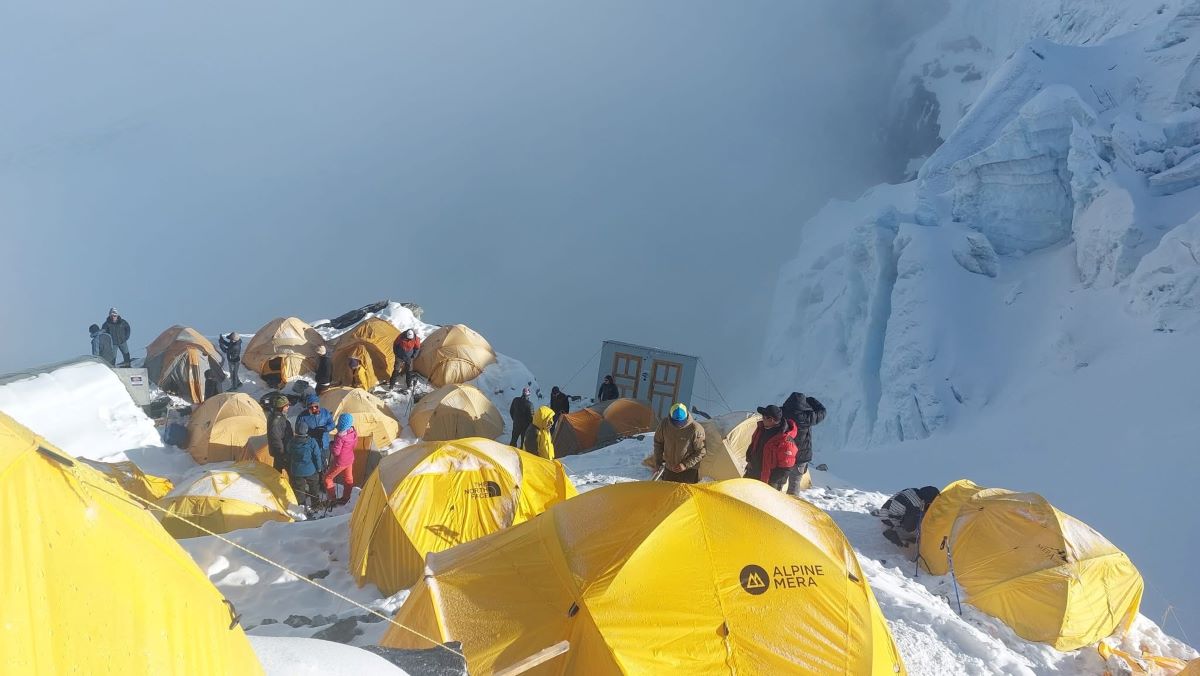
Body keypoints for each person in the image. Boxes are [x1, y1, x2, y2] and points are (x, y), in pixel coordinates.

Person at [780, 392, 826, 496]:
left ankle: (774, 502)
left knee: (779, 482)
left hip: (784, 454)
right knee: (795, 484)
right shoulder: (807, 417)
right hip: (801, 456)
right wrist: (812, 400)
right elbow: (822, 412)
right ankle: (792, 503)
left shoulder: (782, 413)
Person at [745, 405, 799, 490]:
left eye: (764, 417)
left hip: (768, 482)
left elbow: (785, 468)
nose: (762, 419)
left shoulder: (785, 441)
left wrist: (772, 483)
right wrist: (749, 460)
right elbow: (753, 445)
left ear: (771, 420)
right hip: (752, 473)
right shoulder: (761, 428)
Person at [652, 403, 706, 483]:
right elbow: (658, 444)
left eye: (681, 422)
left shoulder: (695, 429)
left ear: (686, 417)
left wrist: (685, 465)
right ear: (671, 418)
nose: (679, 425)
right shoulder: (664, 424)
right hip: (669, 469)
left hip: (688, 471)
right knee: (668, 490)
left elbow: (701, 451)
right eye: (676, 422)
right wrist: (658, 463)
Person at [876, 486, 941, 548]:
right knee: (915, 530)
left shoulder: (913, 490)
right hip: (887, 520)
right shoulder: (915, 506)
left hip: (885, 510)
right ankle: (891, 532)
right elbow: (909, 527)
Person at [288, 420, 326, 517]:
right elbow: (317, 456)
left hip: (296, 471)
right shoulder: (312, 442)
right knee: (314, 486)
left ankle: (302, 507)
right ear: (306, 430)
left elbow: (288, 452)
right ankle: (315, 504)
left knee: (299, 489)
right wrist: (319, 468)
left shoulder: (291, 442)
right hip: (310, 470)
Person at [325, 413, 358, 506]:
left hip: (340, 462)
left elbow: (336, 452)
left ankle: (332, 499)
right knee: (348, 479)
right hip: (350, 459)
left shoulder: (340, 437)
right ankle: (346, 498)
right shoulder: (353, 433)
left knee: (328, 478)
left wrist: (331, 445)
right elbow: (354, 446)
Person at [295, 393, 335, 467]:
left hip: (324, 444)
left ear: (319, 405)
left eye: (316, 406)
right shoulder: (302, 416)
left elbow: (332, 424)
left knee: (324, 464)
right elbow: (298, 430)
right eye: (311, 407)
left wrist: (326, 428)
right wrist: (310, 432)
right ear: (307, 407)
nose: (314, 408)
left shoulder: (325, 412)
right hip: (311, 445)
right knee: (313, 464)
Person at [265, 393, 292, 474]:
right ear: (281, 407)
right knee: (289, 472)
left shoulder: (277, 416)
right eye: (287, 406)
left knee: (277, 471)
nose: (288, 407)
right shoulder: (276, 421)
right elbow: (275, 438)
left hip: (281, 450)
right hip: (282, 452)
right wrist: (282, 453)